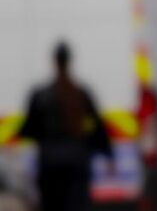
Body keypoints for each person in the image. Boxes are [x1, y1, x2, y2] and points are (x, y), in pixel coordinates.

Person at [18, 41, 114, 211]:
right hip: (76, 161)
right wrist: (106, 154)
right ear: (70, 61)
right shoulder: (81, 93)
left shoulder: (40, 96)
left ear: (55, 61)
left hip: (50, 163)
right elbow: (97, 127)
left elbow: (28, 129)